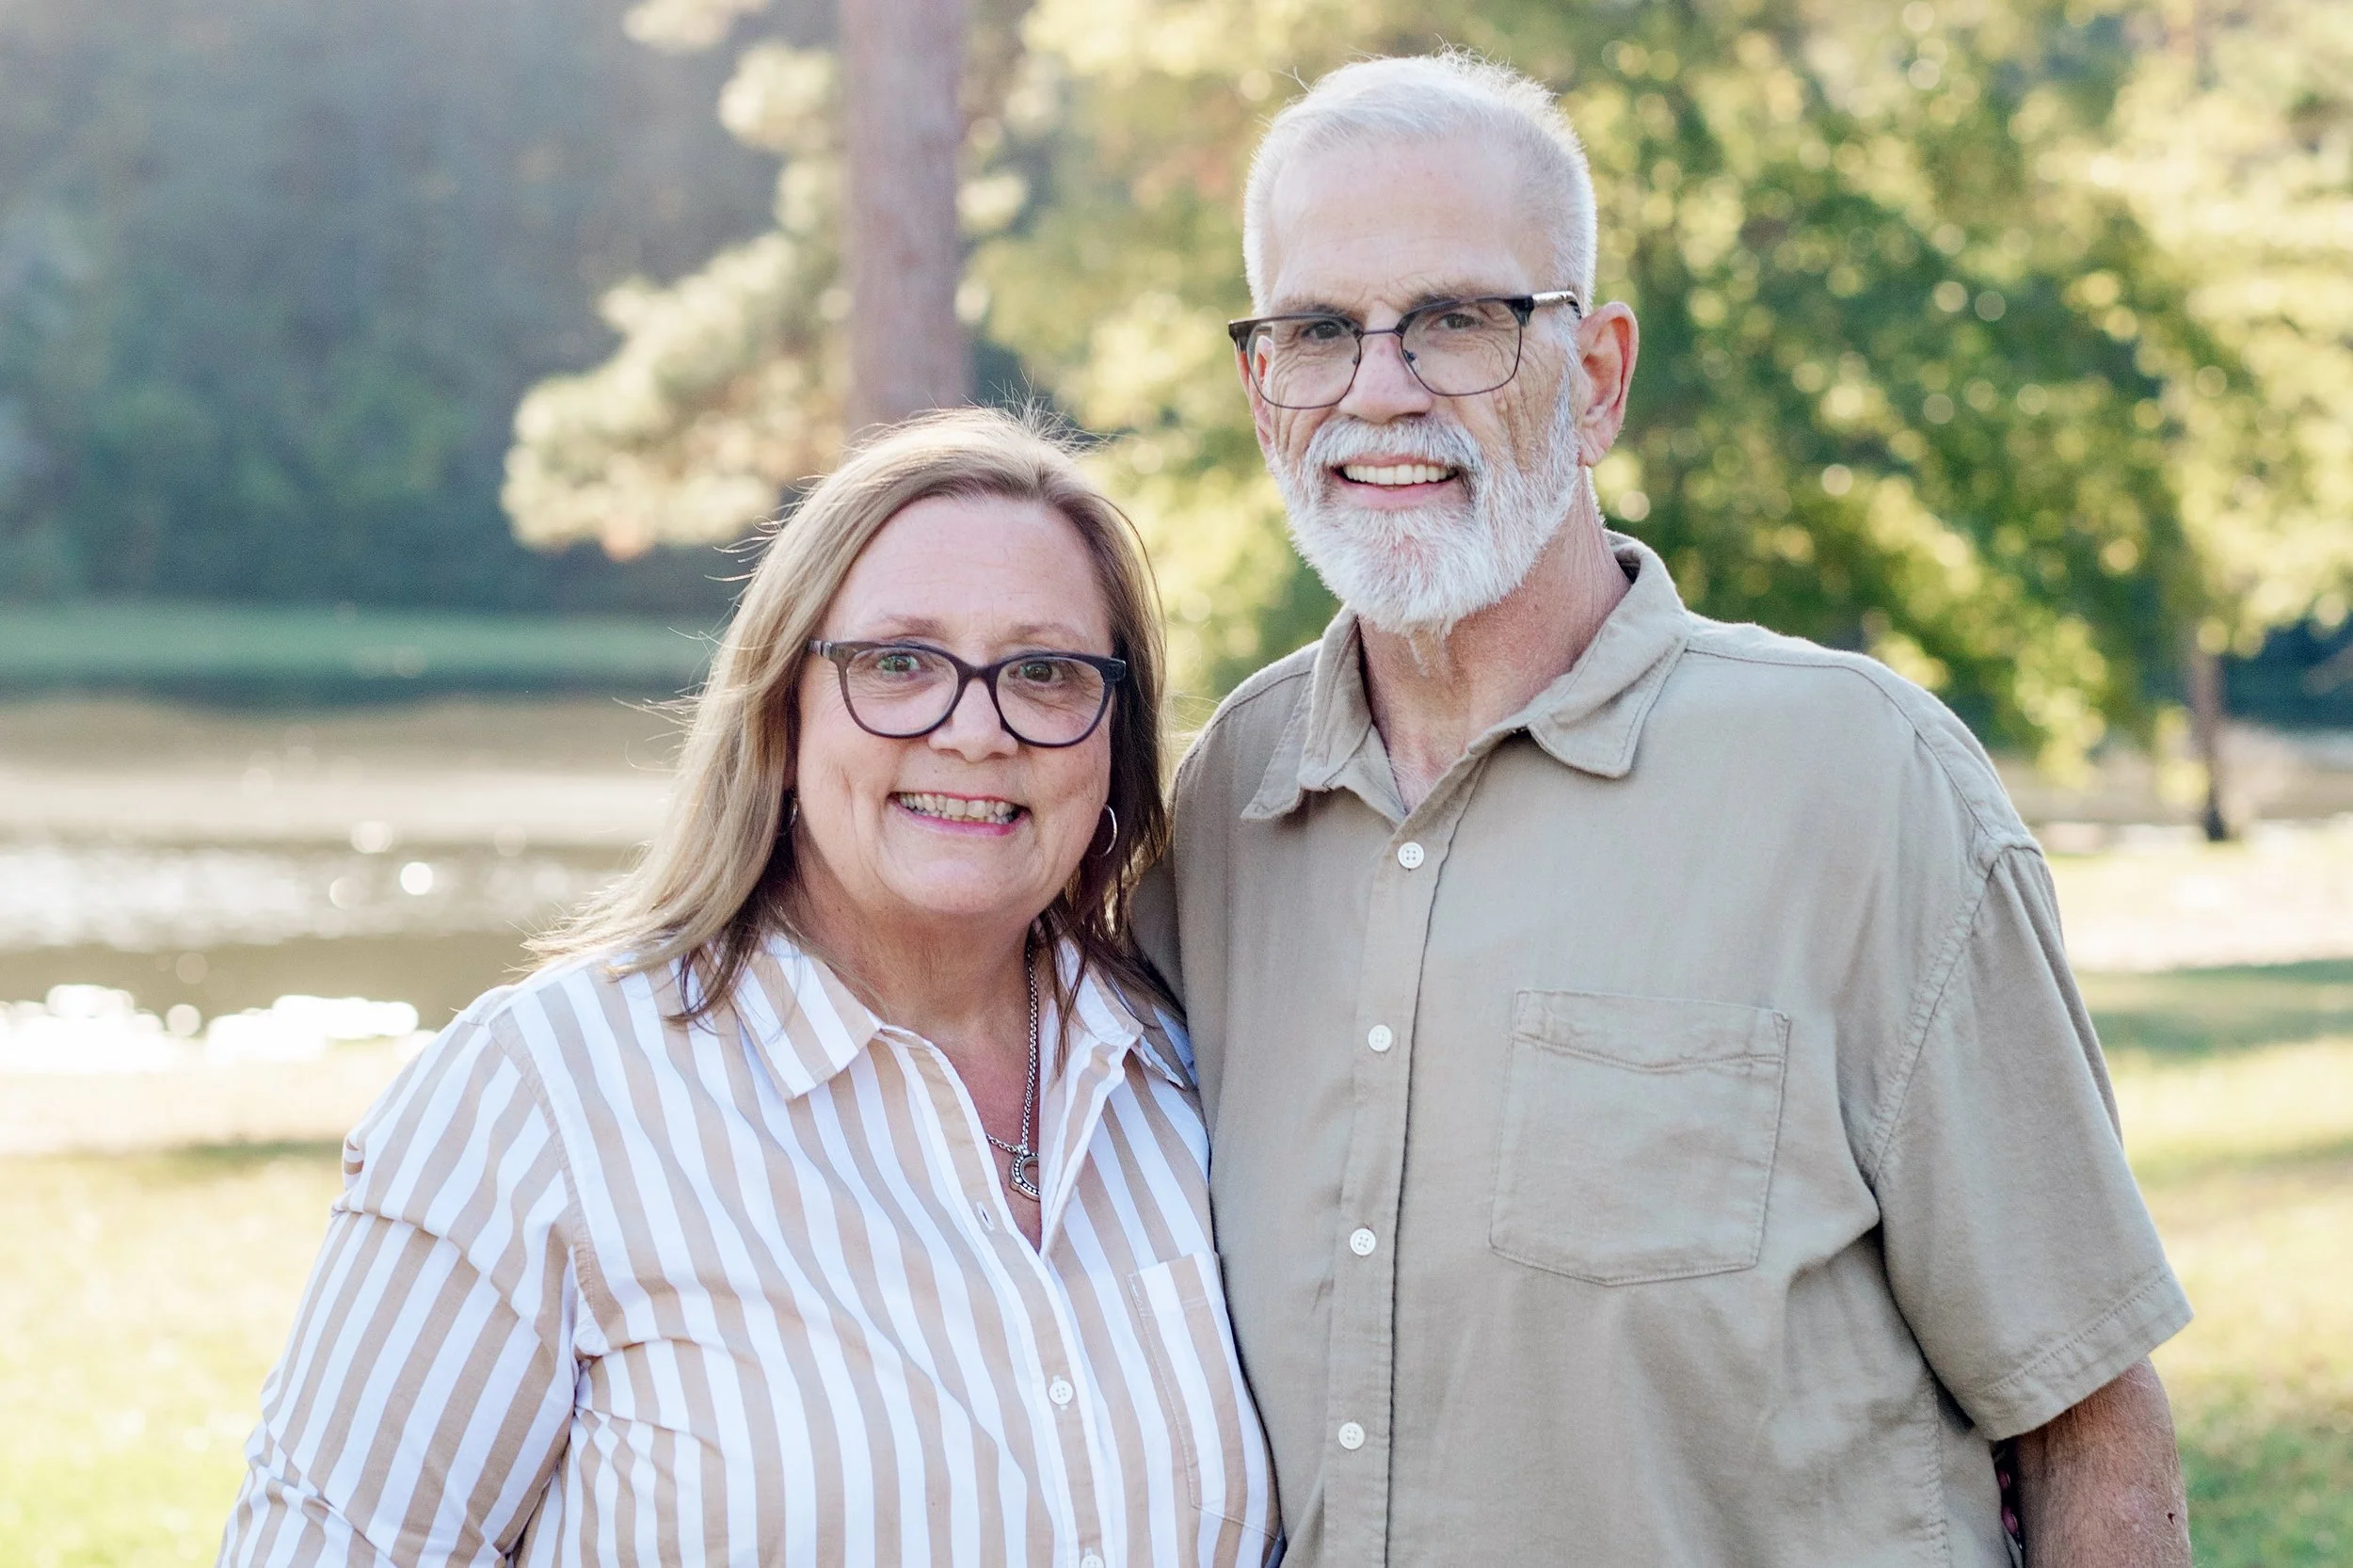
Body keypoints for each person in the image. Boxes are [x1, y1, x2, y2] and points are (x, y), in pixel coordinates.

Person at [1137, 52, 2193, 1567]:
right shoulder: (1224, 806)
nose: (1381, 388)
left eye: (1458, 322)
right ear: (1262, 390)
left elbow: (2090, 1421)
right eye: (1319, 330)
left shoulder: (1859, 782)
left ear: (1599, 376)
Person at [218, 409, 1279, 1566]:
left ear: (1113, 737)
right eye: (898, 662)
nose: (975, 729)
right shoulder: (540, 1099)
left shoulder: (1186, 1079)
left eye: (1044, 671)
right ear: (781, 710)